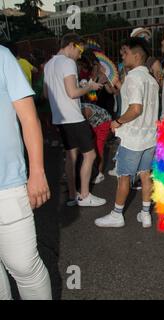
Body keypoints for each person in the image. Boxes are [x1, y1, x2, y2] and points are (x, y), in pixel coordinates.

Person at [0, 45, 51, 300]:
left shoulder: (1, 56)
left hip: (6, 186)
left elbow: (29, 118)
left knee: (24, 266)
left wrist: (37, 172)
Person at [95, 37, 159, 228]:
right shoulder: (151, 80)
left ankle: (117, 214)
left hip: (133, 138)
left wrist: (117, 121)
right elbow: (137, 100)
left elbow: (136, 108)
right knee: (145, 174)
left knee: (124, 177)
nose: (123, 56)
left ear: (137, 55)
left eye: (125, 52)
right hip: (149, 137)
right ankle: (145, 214)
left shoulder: (133, 77)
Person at [44, 33, 106, 207]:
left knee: (71, 156)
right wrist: (89, 87)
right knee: (90, 155)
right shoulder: (67, 62)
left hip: (60, 118)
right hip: (73, 117)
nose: (80, 55)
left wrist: (79, 87)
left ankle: (73, 195)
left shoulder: (49, 64)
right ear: (71, 45)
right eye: (80, 50)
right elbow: (72, 93)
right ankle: (85, 195)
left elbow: (46, 94)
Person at [80, 103, 112, 184]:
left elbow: (84, 128)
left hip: (104, 122)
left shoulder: (83, 111)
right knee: (90, 146)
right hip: (94, 123)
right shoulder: (73, 109)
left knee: (98, 148)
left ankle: (99, 174)